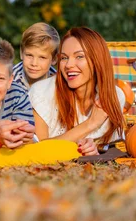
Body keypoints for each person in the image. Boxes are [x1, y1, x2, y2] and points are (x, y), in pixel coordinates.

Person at [29, 27, 126, 156]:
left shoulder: (115, 95)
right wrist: (90, 124)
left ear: (97, 60)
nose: (68, 65)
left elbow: (112, 147)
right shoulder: (41, 92)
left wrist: (94, 150)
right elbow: (38, 150)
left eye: (79, 56)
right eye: (64, 58)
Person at [12, 22, 60, 90]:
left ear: (54, 59)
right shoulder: (9, 80)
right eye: (29, 55)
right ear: (21, 53)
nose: (34, 63)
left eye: (42, 57)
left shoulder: (58, 84)